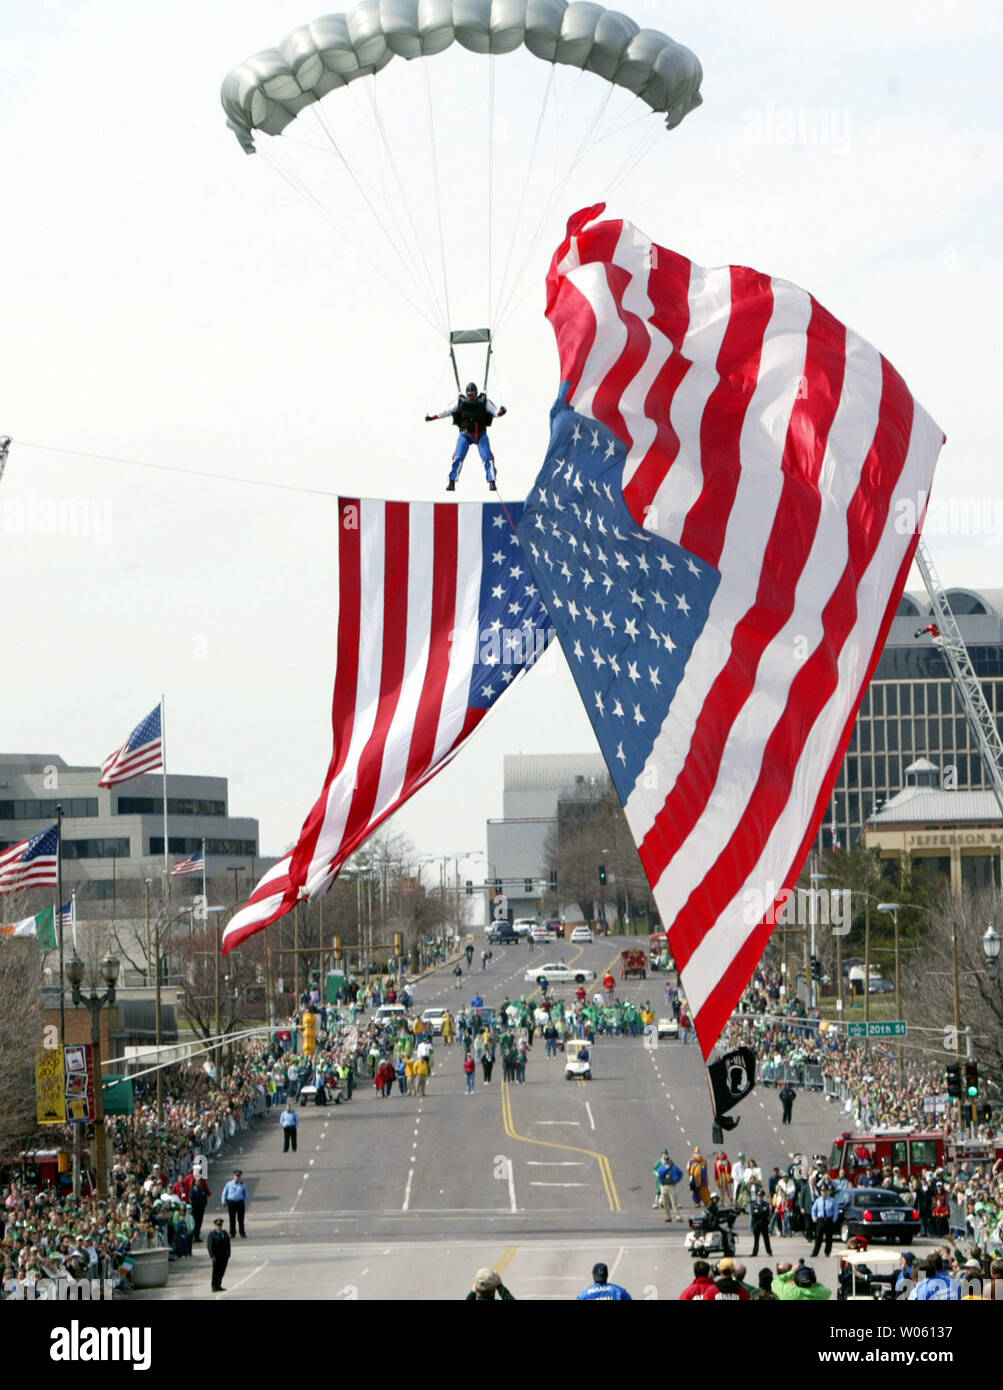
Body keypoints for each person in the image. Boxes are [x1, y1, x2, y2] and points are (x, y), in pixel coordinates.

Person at [426, 382, 507, 491]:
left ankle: (492, 481)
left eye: (473, 395)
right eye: (469, 395)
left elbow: (495, 412)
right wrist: (433, 417)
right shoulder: (460, 402)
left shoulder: (484, 401)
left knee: (487, 457)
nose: (471, 397)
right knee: (458, 457)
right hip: (465, 434)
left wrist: (501, 411)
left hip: (480, 434)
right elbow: (446, 411)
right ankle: (452, 482)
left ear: (476, 393)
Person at [810, 1180, 839, 1257]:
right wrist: (814, 1217)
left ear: (828, 1191)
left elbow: (836, 1210)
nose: (824, 1192)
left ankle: (827, 1252)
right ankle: (815, 1252)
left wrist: (834, 1220)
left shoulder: (832, 1200)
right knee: (818, 1237)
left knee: (829, 1238)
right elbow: (813, 1210)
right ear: (820, 1192)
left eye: (825, 1191)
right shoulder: (818, 1201)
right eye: (822, 1191)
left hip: (829, 1220)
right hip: (820, 1220)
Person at [222, 1170, 248, 1238]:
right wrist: (223, 1201)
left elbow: (246, 1194)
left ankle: (242, 1232)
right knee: (232, 1218)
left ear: (240, 1177)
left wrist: (244, 1202)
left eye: (238, 1176)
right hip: (231, 1203)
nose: (237, 1177)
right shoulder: (229, 1184)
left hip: (240, 1203)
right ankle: (232, 1233)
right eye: (236, 1176)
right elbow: (225, 1193)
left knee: (241, 1219)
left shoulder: (243, 1185)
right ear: (234, 1176)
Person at [206, 1218, 230, 1293]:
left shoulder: (224, 1233)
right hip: (216, 1256)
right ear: (215, 1225)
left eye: (220, 1225)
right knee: (216, 1271)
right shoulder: (212, 1234)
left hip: (224, 1256)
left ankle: (219, 1285)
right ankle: (214, 1286)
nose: (219, 1226)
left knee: (222, 1271)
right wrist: (212, 1255)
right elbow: (210, 1246)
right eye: (218, 1225)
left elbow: (228, 1244)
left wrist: (229, 1254)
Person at [750, 1190, 773, 1257]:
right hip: (756, 1224)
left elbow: (767, 1213)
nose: (760, 1197)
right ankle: (754, 1253)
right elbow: (753, 1213)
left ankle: (769, 1251)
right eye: (759, 1196)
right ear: (757, 1197)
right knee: (756, 1240)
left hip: (764, 1224)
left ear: (763, 1197)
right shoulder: (753, 1205)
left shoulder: (766, 1204)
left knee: (766, 1239)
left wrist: (760, 1213)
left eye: (761, 1196)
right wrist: (761, 1212)